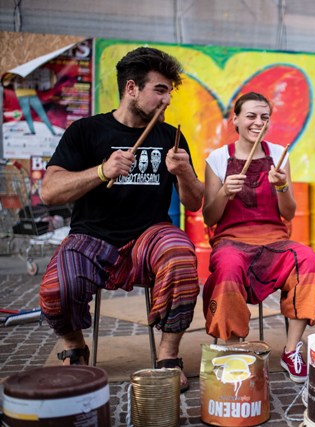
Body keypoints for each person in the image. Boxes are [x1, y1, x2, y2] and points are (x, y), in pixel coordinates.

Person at [39, 47, 203, 392]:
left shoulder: (169, 136)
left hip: (150, 237)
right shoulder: (85, 131)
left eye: (170, 92)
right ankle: (74, 347)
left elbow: (195, 202)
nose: (167, 100)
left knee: (180, 252)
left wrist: (185, 173)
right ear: (131, 88)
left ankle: (168, 356)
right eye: (160, 90)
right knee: (57, 287)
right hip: (92, 237)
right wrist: (102, 170)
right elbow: (49, 192)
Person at [201, 92, 315, 383]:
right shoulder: (217, 159)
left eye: (264, 117)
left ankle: (292, 349)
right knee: (228, 266)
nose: (258, 122)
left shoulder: (279, 154)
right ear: (236, 120)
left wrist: (282, 187)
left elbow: (290, 213)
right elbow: (209, 217)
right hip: (231, 240)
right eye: (251, 116)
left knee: (307, 259)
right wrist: (223, 193)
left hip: (275, 239)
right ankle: (233, 349)